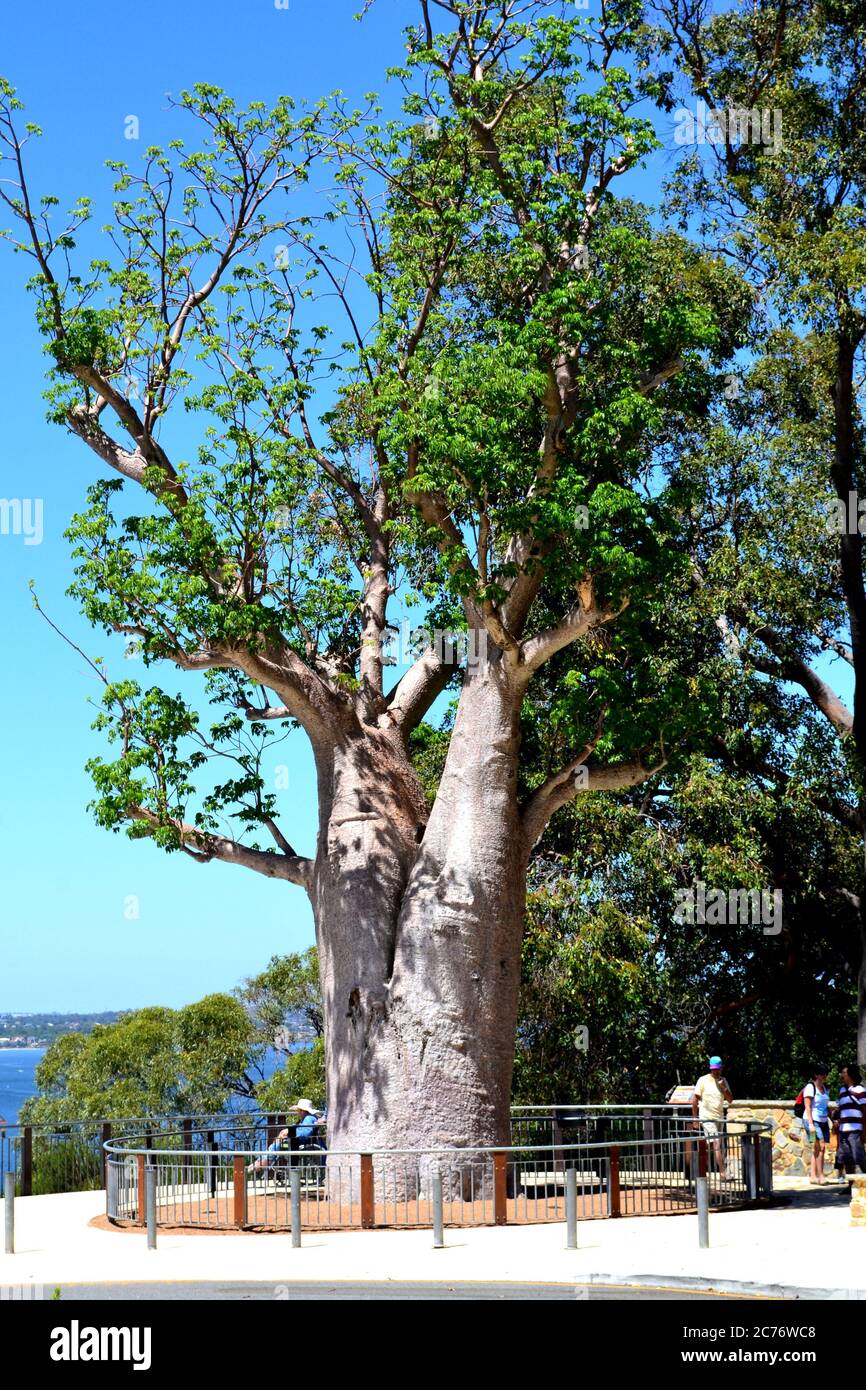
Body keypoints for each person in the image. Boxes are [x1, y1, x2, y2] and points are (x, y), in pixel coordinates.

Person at [691, 1055, 734, 1174]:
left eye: (717, 1068)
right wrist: (695, 1119)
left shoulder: (723, 1081)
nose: (715, 1071)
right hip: (706, 1117)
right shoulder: (703, 1080)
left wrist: (724, 1088)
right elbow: (695, 1100)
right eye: (713, 1069)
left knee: (712, 1145)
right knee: (716, 1144)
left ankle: (702, 1167)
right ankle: (722, 1173)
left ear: (721, 1068)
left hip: (719, 1118)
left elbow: (730, 1100)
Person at [834, 1064, 866, 1177]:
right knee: (847, 1160)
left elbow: (865, 1110)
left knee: (860, 1158)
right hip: (843, 1131)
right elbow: (841, 1109)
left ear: (850, 1075)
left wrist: (864, 1131)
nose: (841, 1075)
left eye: (844, 1073)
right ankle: (850, 1186)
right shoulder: (842, 1090)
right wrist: (837, 1119)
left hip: (855, 1130)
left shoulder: (860, 1090)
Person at [801, 1064, 831, 1185]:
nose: (825, 1076)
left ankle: (813, 1176)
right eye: (822, 1073)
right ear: (816, 1075)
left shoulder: (825, 1088)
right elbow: (807, 1106)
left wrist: (831, 1118)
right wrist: (811, 1124)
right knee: (821, 1146)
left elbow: (825, 1106)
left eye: (825, 1073)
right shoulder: (810, 1087)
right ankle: (821, 1176)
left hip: (823, 1121)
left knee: (817, 1147)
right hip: (812, 1121)